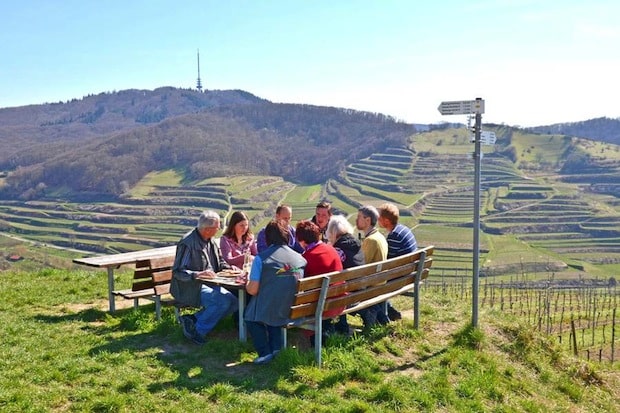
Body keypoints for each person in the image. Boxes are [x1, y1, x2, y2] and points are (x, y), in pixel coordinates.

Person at [171, 210, 239, 345]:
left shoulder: (211, 241)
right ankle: (197, 331)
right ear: (207, 229)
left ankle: (192, 319)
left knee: (235, 302)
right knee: (222, 302)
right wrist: (197, 274)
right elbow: (178, 272)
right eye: (217, 227)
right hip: (190, 287)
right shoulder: (188, 243)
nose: (219, 229)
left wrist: (230, 268)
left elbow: (220, 262)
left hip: (209, 284)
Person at [244, 220, 307, 364]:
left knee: (249, 316)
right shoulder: (300, 259)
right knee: (274, 306)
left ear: (267, 238)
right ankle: (276, 348)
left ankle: (265, 353)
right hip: (292, 307)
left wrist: (247, 283)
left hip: (271, 307)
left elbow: (253, 290)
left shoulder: (261, 259)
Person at [296, 219, 343, 345]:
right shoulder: (331, 249)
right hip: (339, 301)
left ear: (302, 241)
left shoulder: (307, 258)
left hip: (322, 306)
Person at [377, 202, 418, 321]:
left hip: (401, 278)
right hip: (411, 274)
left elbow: (386, 262)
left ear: (386, 221)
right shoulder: (403, 229)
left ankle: (384, 315)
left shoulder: (394, 236)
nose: (378, 220)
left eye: (380, 218)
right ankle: (390, 312)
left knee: (371, 284)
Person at [326, 215, 365, 335]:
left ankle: (327, 327)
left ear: (332, 232)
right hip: (361, 290)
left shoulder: (339, 249)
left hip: (349, 296)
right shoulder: (356, 244)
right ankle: (340, 324)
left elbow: (329, 270)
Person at [355, 205, 389, 326]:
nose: (356, 220)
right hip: (380, 283)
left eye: (359, 217)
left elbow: (361, 266)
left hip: (372, 286)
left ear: (368, 220)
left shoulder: (371, 240)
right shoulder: (380, 237)